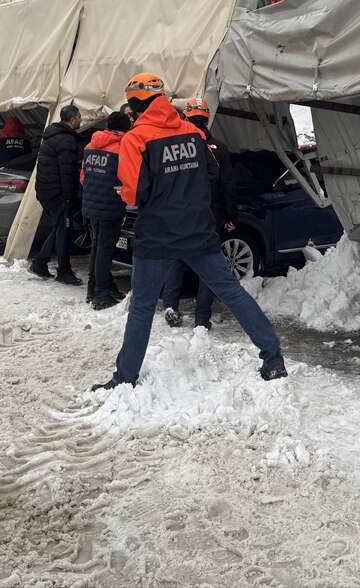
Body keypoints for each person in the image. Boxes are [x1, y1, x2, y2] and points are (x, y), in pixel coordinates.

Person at [91, 74, 286, 391]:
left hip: (156, 234)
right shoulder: (193, 133)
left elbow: (130, 194)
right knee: (232, 292)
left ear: (136, 102)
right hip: (198, 230)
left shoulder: (136, 140)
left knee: (142, 306)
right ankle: (273, 357)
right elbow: (212, 173)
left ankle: (125, 377)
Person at [160, 98, 239, 330]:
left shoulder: (174, 146)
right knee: (207, 264)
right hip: (209, 215)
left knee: (176, 258)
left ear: (186, 116)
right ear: (207, 118)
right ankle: (201, 318)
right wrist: (232, 216)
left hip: (178, 214)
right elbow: (228, 185)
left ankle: (171, 307)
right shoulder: (219, 148)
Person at [80, 111, 132, 310]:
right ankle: (101, 293)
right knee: (104, 249)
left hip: (92, 204)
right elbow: (128, 177)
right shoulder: (122, 148)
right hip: (111, 204)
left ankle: (93, 289)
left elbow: (83, 177)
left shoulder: (90, 145)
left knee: (97, 246)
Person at [28, 105, 83, 286]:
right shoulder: (66, 140)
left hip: (45, 190)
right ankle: (63, 270)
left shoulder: (51, 136)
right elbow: (67, 172)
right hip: (57, 194)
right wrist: (69, 197)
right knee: (63, 230)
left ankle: (40, 262)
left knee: (59, 227)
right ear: (73, 119)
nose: (81, 120)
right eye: (80, 117)